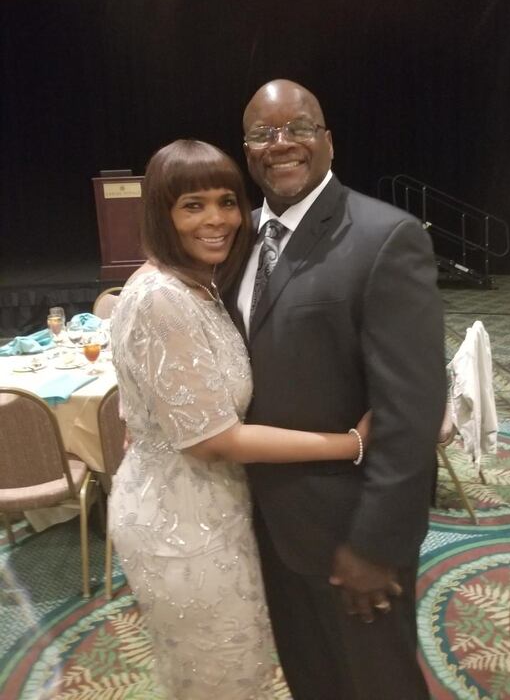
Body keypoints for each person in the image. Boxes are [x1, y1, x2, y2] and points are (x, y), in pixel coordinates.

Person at [108, 139, 370, 700]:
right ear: (162, 213)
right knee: (219, 679)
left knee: (229, 669)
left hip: (210, 510)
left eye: (227, 201)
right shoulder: (163, 298)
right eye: (193, 205)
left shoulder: (198, 284)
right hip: (183, 528)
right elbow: (214, 439)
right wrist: (348, 443)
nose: (218, 219)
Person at [227, 79, 446, 700]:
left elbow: (410, 410)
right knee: (312, 679)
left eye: (298, 127)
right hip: (268, 525)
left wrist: (376, 544)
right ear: (247, 151)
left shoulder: (384, 237)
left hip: (352, 535)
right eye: (263, 134)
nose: (281, 144)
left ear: (328, 142)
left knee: (380, 685)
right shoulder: (235, 242)